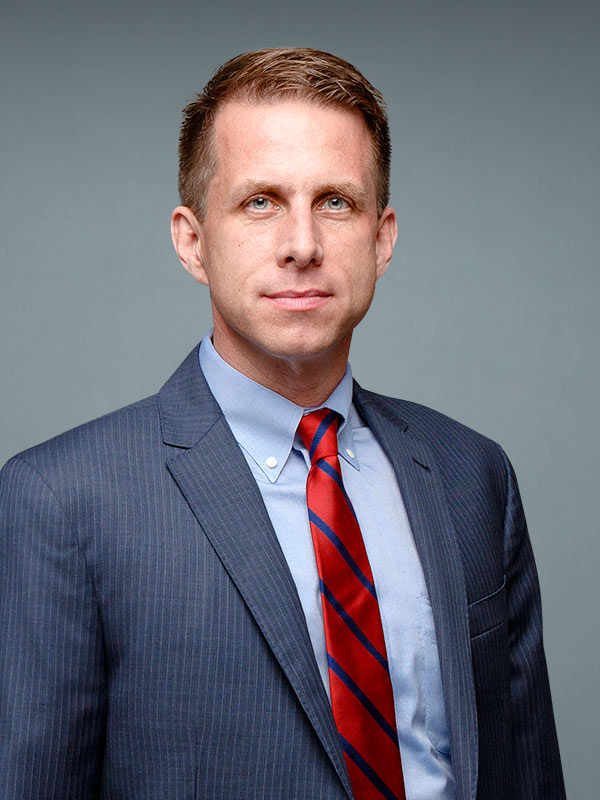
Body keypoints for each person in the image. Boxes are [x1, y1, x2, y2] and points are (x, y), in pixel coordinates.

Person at [0, 48, 566, 800]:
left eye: (335, 202)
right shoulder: (61, 501)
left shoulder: (473, 475)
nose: (302, 244)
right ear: (192, 241)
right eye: (261, 201)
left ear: (382, 239)